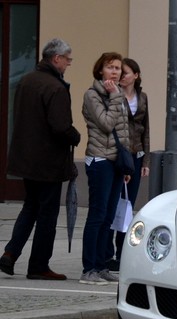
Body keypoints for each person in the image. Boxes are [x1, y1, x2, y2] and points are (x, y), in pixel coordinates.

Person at [0, 38, 81, 280]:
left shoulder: (27, 80)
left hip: (26, 159)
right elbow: (60, 127)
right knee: (47, 215)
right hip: (48, 163)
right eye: (67, 60)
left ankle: (10, 254)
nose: (68, 64)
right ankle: (38, 266)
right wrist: (75, 136)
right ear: (56, 59)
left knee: (30, 208)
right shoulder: (55, 87)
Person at [80, 52, 130, 285]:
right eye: (110, 67)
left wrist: (126, 162)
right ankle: (88, 269)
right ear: (100, 70)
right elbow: (107, 124)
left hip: (116, 161)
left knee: (109, 216)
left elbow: (124, 131)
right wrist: (114, 97)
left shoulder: (116, 94)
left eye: (118, 68)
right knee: (97, 216)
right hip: (100, 160)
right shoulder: (93, 95)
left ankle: (101, 266)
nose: (115, 72)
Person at [105, 58, 150, 272]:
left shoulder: (142, 98)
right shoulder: (114, 95)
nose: (122, 75)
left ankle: (122, 252)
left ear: (136, 75)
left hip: (136, 154)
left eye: (126, 72)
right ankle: (107, 252)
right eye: (120, 72)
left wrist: (146, 160)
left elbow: (146, 129)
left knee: (128, 206)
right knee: (113, 204)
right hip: (119, 154)